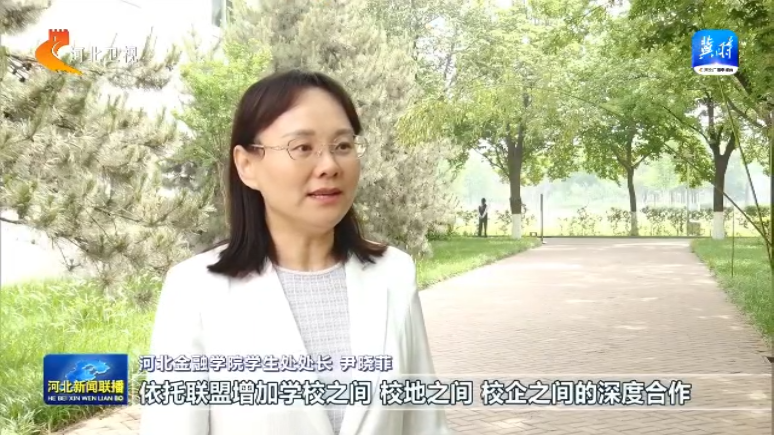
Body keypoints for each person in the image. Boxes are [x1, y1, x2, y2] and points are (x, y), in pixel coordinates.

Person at [139, 70, 451, 435]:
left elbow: (424, 425)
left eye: (343, 146)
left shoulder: (393, 274)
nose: (330, 166)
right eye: (302, 147)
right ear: (247, 165)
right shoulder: (194, 289)